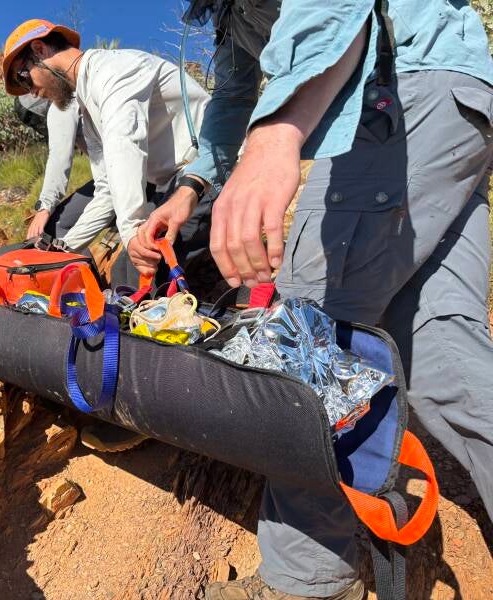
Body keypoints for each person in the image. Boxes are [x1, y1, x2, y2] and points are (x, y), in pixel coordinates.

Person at [137, 1, 493, 599]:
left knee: (306, 339)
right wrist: (189, 190)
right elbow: (232, 97)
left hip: (394, 98)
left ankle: (305, 578)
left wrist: (277, 132)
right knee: (439, 346)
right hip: (459, 108)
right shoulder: (228, 18)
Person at [2, 19, 223, 287]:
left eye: (23, 77)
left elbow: (125, 142)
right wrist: (63, 249)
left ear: (40, 49)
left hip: (209, 173)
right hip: (173, 186)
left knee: (146, 272)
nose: (32, 93)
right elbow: (106, 189)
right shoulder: (88, 109)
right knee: (123, 277)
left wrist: (131, 232)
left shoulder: (112, 70)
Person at [16, 93, 95, 241]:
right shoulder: (80, 92)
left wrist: (44, 207)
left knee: (55, 227)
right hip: (130, 171)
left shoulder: (61, 107)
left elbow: (59, 157)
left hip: (119, 180)